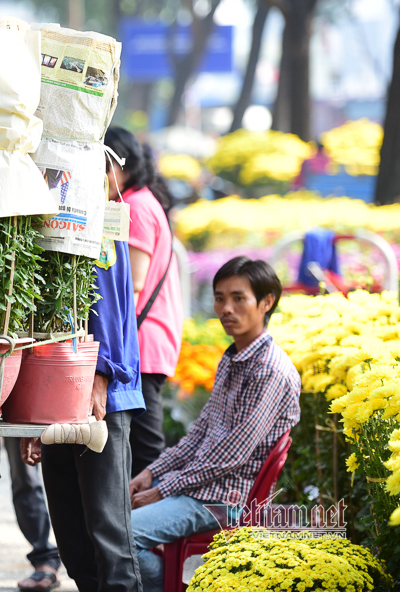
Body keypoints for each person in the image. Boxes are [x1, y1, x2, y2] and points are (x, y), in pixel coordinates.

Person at [129, 257, 301, 592]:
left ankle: (167, 586)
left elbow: (231, 456)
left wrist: (163, 489)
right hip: (201, 489)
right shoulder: (234, 357)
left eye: (239, 298)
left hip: (224, 500)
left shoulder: (269, 370)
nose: (226, 308)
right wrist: (153, 472)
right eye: (220, 297)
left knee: (122, 536)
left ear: (266, 302)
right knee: (109, 523)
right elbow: (200, 433)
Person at [23, 236, 146, 592]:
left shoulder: (96, 219)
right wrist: (31, 410)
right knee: (72, 543)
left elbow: (105, 301)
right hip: (55, 391)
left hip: (101, 395)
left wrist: (101, 374)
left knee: (109, 539)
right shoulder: (43, 216)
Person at [105, 127, 183, 477]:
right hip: (150, 339)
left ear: (121, 165)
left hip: (142, 342)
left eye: (102, 166)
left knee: (147, 447)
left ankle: (149, 526)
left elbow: (133, 285)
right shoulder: (143, 200)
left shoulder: (134, 206)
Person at [3, 437, 62, 591]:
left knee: (69, 473)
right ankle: (44, 557)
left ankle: (89, 562)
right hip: (17, 414)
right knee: (24, 477)